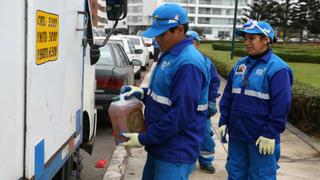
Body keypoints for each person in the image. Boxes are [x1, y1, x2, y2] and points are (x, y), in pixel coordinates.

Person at [119, 3, 212, 180]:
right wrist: (143, 93)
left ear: (178, 30)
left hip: (176, 150)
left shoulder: (188, 64)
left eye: (161, 34)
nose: (156, 39)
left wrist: (143, 138)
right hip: (161, 145)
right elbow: (166, 95)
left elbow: (180, 115)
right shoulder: (170, 54)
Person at [218, 19, 293, 179]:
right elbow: (228, 96)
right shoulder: (240, 65)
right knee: (235, 174)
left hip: (261, 138)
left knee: (261, 176)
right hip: (237, 135)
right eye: (245, 38)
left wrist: (270, 133)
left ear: (266, 39)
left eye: (251, 38)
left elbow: (281, 106)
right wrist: (224, 120)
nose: (246, 43)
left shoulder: (278, 69)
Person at [186, 30, 221, 174]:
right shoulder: (179, 60)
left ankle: (206, 161)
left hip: (202, 110)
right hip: (184, 109)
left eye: (192, 42)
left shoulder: (206, 62)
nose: (189, 45)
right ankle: (187, 162)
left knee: (205, 135)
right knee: (185, 136)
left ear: (197, 44)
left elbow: (214, 81)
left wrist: (212, 101)